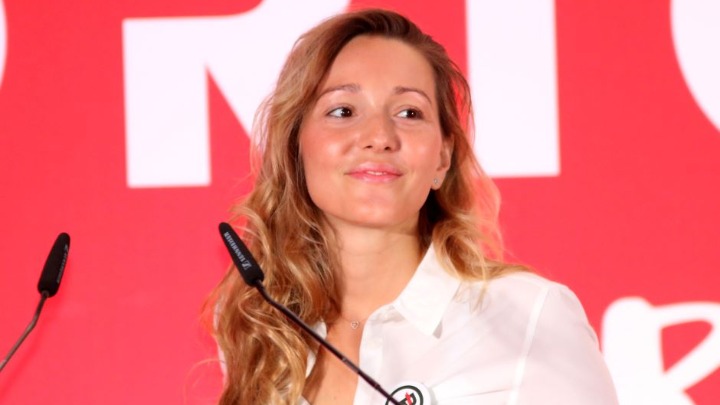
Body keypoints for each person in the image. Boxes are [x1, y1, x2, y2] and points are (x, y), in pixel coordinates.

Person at [207, 8, 618, 405]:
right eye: (343, 111)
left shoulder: (528, 316)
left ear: (442, 158)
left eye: (409, 112)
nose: (379, 136)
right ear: (295, 148)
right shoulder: (262, 327)